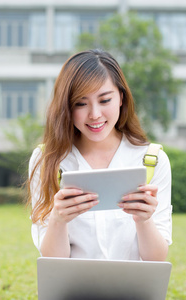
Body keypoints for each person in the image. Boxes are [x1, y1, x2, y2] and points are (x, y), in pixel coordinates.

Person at [27, 49, 172, 261]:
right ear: (67, 106)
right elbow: (52, 260)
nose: (95, 114)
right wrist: (58, 220)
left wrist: (144, 220)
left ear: (121, 98)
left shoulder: (151, 161)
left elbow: (157, 259)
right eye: (81, 103)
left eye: (105, 100)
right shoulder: (47, 161)